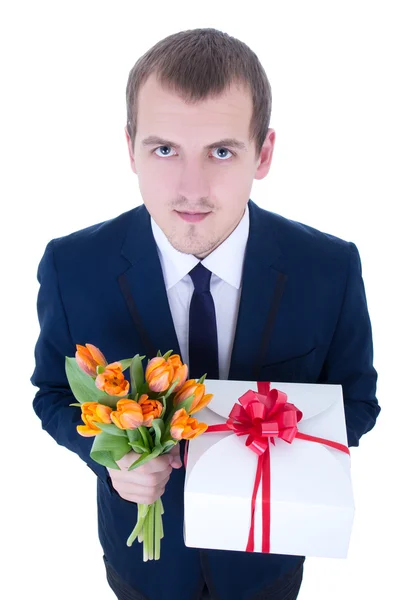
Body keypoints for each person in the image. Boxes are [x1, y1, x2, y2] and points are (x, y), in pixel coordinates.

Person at [31, 27, 381, 600]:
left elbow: (359, 405)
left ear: (263, 154)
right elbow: (51, 394)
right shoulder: (73, 266)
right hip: (143, 567)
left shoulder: (330, 268)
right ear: (130, 149)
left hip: (265, 564)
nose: (191, 188)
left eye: (221, 151)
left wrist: (269, 444)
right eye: (165, 149)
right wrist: (111, 457)